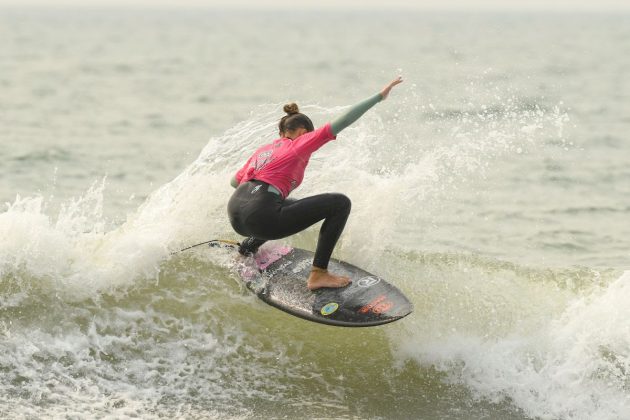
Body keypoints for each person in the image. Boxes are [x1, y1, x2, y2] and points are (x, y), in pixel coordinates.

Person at [228, 77, 403, 290]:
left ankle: (246, 250)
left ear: (281, 133)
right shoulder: (298, 143)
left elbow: (234, 181)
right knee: (340, 203)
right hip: (261, 218)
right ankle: (319, 274)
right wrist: (379, 97)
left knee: (286, 203)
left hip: (236, 215)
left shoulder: (264, 150)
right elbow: (344, 120)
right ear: (302, 133)